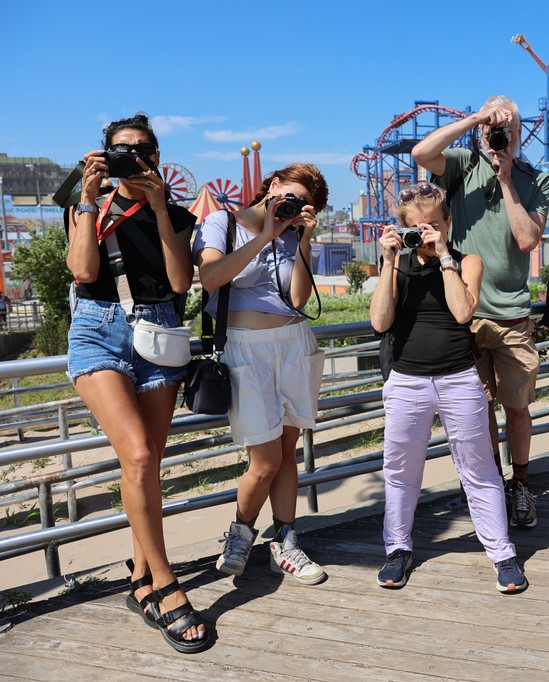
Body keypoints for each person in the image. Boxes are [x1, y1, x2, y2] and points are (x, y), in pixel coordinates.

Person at [64, 113, 208, 653]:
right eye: (121, 149)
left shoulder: (174, 213)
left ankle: (141, 579)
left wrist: (159, 211)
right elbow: (82, 271)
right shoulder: (88, 205)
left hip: (160, 334)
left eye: (141, 149)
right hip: (99, 331)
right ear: (103, 155)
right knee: (141, 457)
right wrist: (85, 197)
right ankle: (168, 588)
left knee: (146, 462)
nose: (132, 156)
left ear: (155, 156)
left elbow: (178, 282)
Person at [369, 181, 528, 593]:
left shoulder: (466, 260)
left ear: (448, 223)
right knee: (401, 472)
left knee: (479, 469)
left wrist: (443, 256)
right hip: (406, 380)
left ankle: (502, 552)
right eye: (418, 228)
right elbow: (380, 323)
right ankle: (397, 550)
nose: (426, 234)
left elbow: (462, 312)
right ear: (401, 228)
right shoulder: (398, 266)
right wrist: (388, 262)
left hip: (459, 378)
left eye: (434, 225)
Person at [412, 95, 549, 529]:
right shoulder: (461, 164)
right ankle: (492, 484)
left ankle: (522, 484)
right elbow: (421, 153)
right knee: (478, 411)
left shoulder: (539, 179)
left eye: (507, 129)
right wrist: (475, 117)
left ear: (518, 132)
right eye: (492, 129)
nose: (497, 136)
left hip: (511, 316)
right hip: (467, 312)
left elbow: (528, 240)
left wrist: (507, 176)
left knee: (516, 407)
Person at [194, 163, 329, 584]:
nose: (294, 206)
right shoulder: (223, 223)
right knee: (265, 458)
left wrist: (303, 239)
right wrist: (266, 235)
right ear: (272, 186)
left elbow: (298, 299)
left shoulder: (295, 236)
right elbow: (210, 276)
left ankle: (286, 542)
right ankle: (240, 532)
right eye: (292, 195)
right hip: (244, 349)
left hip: (293, 344)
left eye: (305, 205)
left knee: (287, 450)